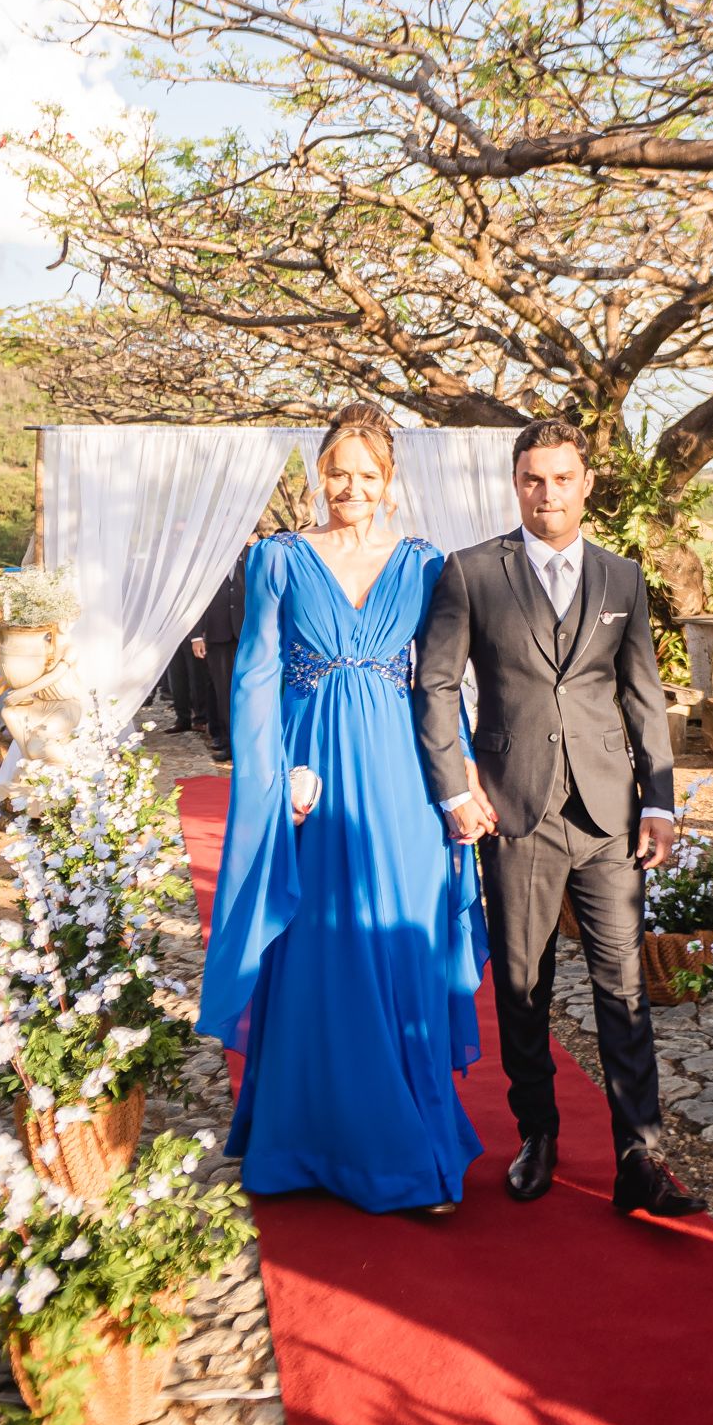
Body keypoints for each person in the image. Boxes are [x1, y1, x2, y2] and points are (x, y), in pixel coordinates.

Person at [196, 402, 487, 1214]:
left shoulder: (427, 564)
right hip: (313, 777)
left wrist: (459, 780)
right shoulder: (278, 560)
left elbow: (440, 687)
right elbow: (253, 679)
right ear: (316, 475)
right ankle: (306, 1141)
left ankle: (415, 1148)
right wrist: (275, 773)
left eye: (366, 475)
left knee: (403, 945)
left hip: (401, 778)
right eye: (337, 473)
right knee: (322, 949)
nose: (349, 488)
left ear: (389, 483)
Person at [413, 418, 703, 1220]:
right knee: (522, 985)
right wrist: (454, 788)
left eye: (562, 478)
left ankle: (640, 1159)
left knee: (624, 987)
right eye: (533, 479)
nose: (548, 494)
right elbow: (435, 685)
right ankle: (537, 1133)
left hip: (610, 813)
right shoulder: (470, 573)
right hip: (515, 810)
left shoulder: (623, 579)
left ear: (586, 484)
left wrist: (659, 798)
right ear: (516, 484)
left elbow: (644, 694)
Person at [192, 539, 252, 765]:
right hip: (218, 634)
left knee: (249, 690)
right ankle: (228, 743)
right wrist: (196, 635)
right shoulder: (207, 558)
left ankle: (250, 746)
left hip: (249, 633)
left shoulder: (254, 553)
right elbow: (196, 598)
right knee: (223, 691)